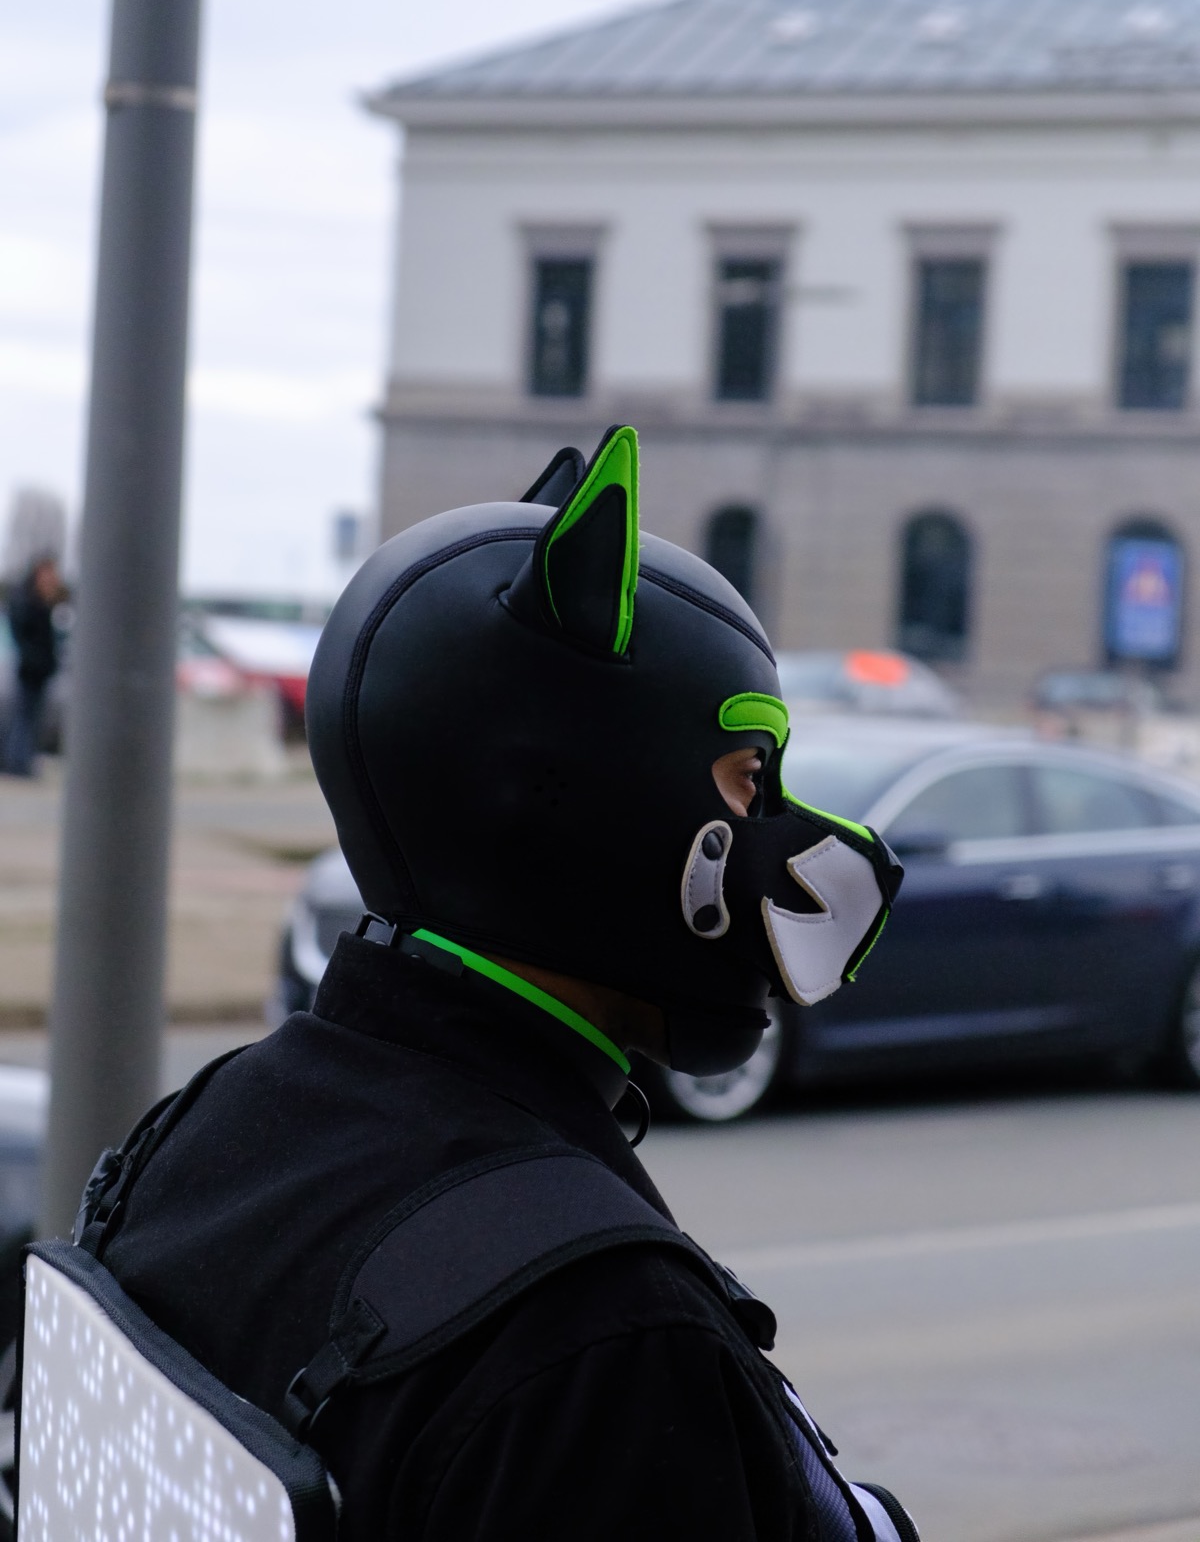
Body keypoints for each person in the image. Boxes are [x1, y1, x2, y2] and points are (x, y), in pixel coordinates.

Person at [95, 427, 914, 1541]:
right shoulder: (603, 1340)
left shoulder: (197, 1132)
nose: (785, 832)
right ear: (571, 795)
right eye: (750, 780)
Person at [2, 555, 62, 777]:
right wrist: (36, 660)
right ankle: (19, 764)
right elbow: (28, 638)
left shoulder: (37, 600)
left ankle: (21, 762)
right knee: (25, 719)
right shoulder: (30, 602)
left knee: (29, 719)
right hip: (30, 671)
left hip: (36, 670)